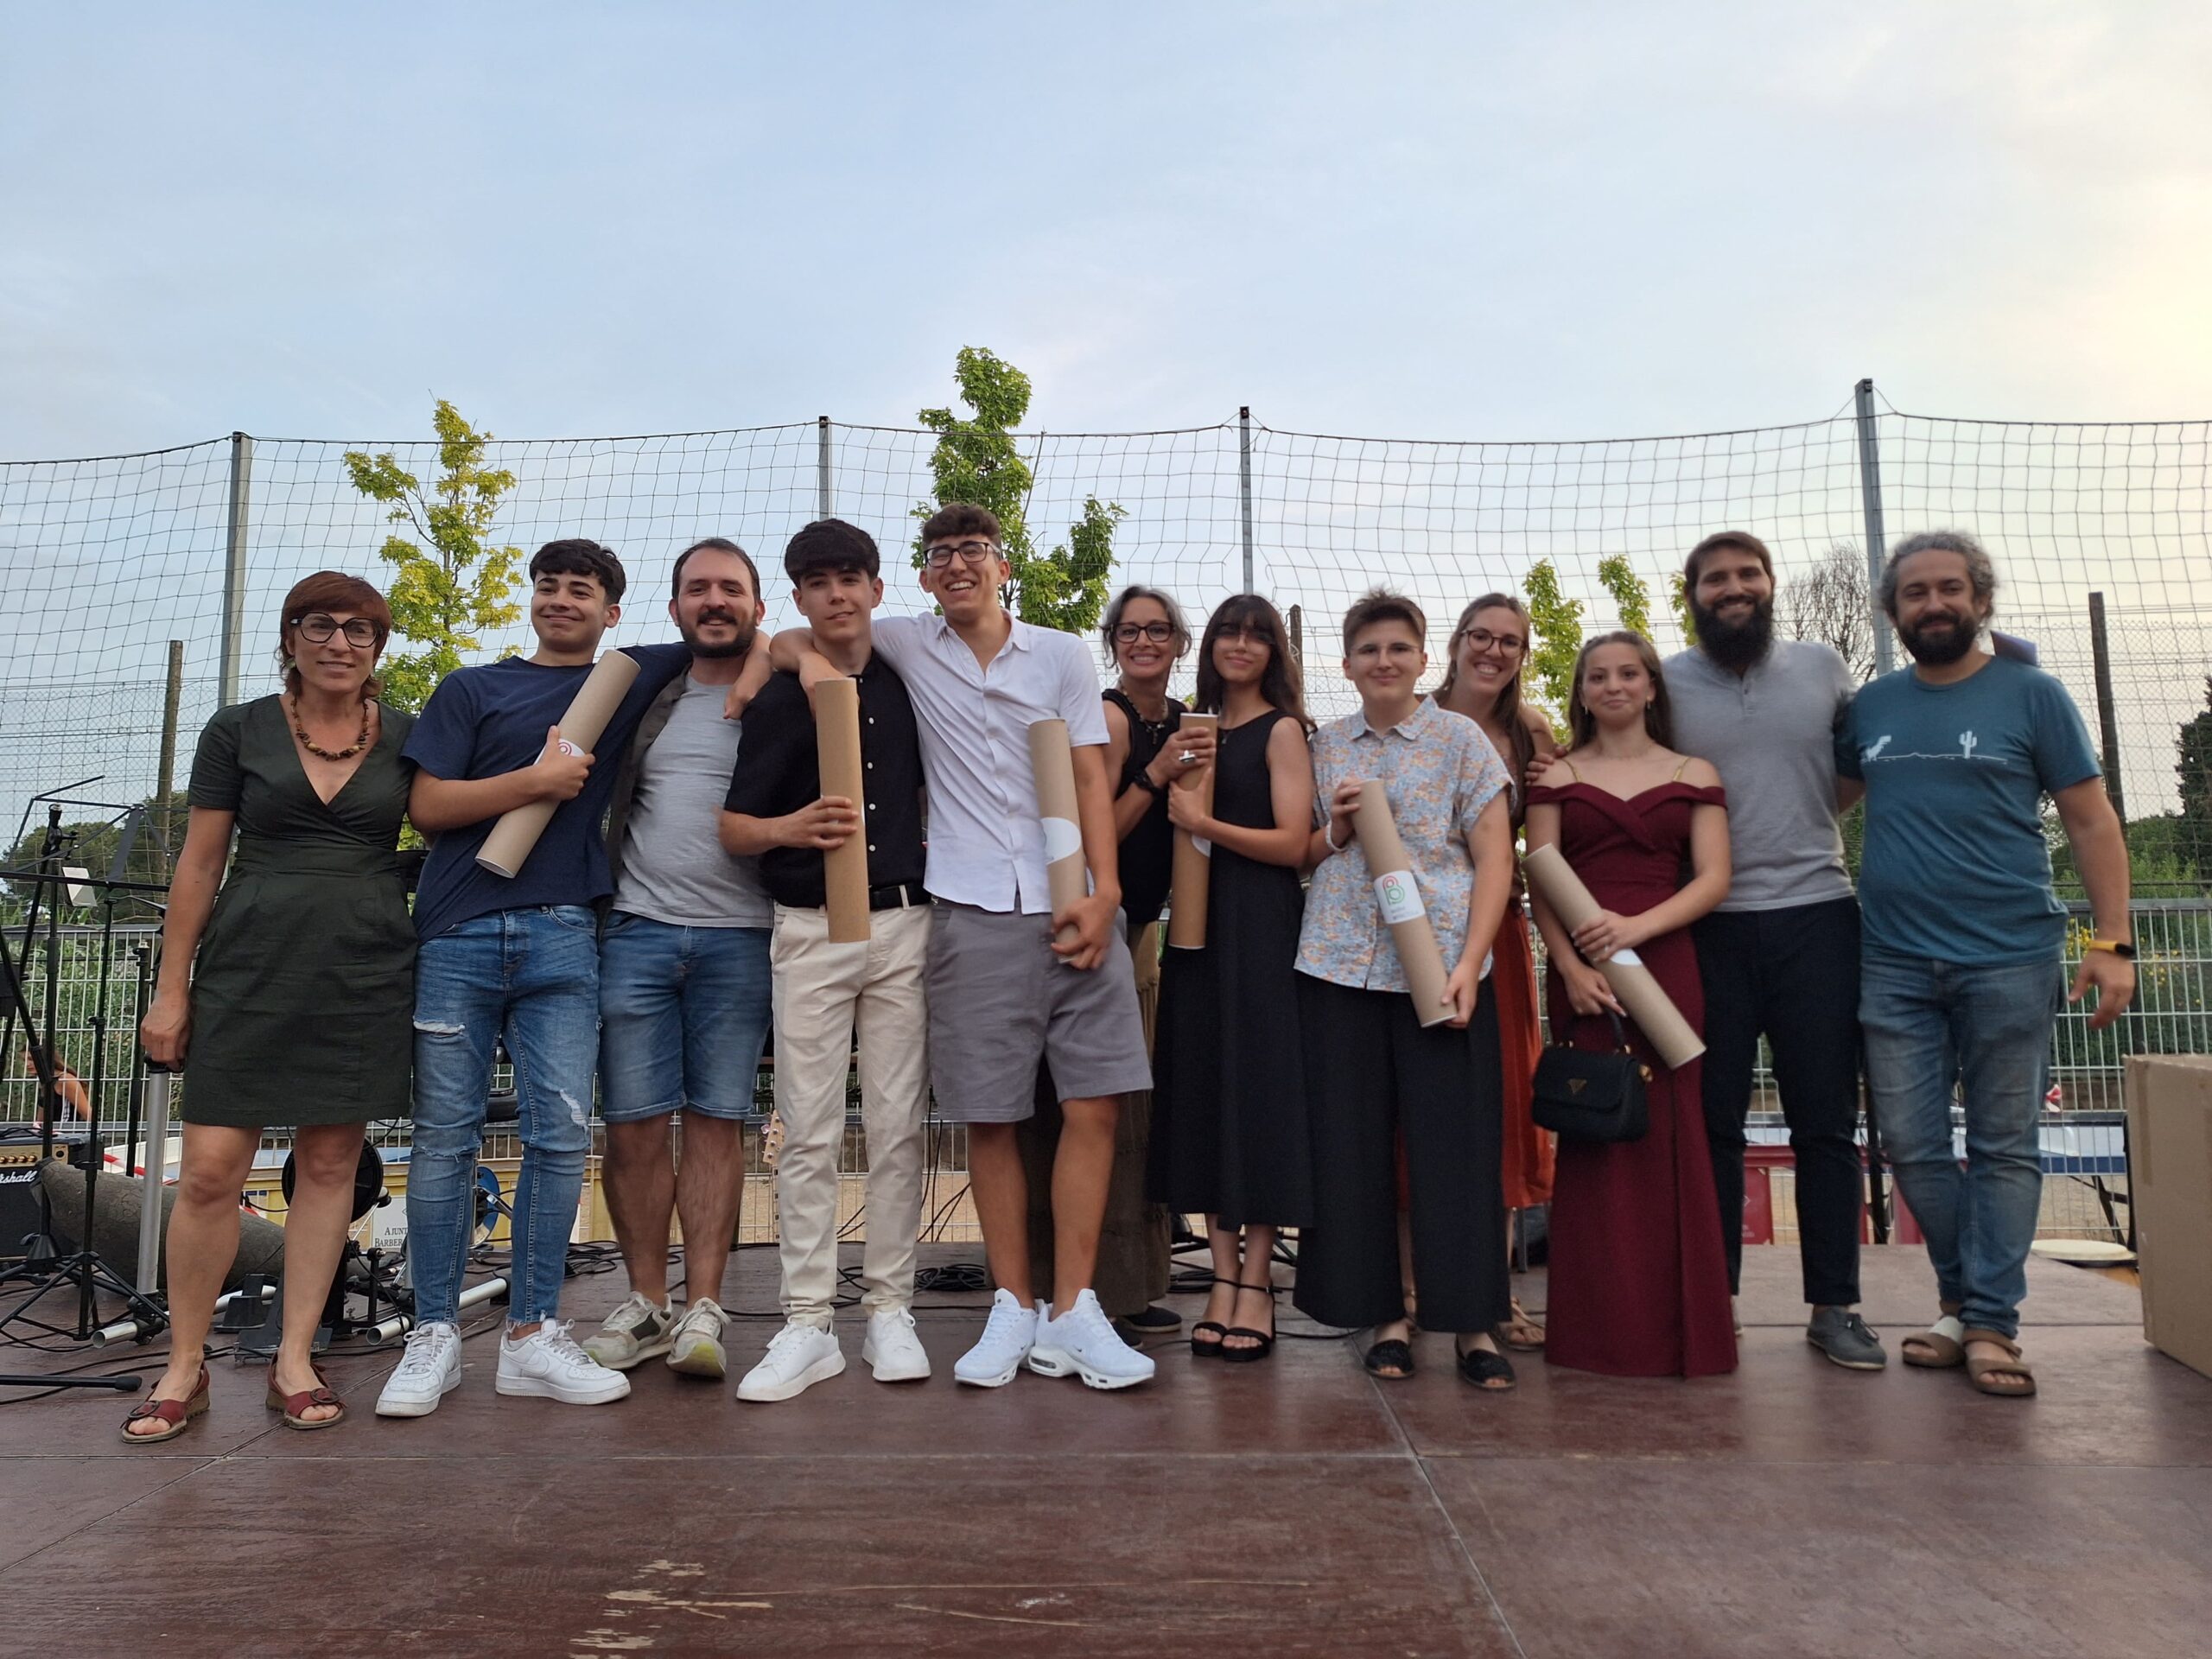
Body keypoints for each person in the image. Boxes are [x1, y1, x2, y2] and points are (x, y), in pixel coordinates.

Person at [767, 504, 1157, 1391]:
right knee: (991, 1116)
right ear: (920, 575)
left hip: (1072, 902)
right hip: (972, 910)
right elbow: (797, 636)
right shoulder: (906, 642)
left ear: (1002, 564)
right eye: (940, 554)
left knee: (1095, 1106)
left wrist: (1106, 892)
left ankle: (1073, 1311)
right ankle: (1011, 1305)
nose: (957, 565)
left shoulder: (1060, 654)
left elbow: (1088, 772)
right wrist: (795, 663)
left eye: (973, 550)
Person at [377, 539, 744, 1418]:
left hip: (565, 936)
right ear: (532, 600)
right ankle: (433, 1335)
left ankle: (531, 1335)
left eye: (583, 590)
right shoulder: (473, 688)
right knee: (445, 1138)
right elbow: (428, 808)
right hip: (459, 931)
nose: (563, 599)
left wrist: (770, 650)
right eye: (549, 586)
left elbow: (731, 630)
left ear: (612, 612)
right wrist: (534, 781)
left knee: (558, 1137)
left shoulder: (624, 684)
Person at [1838, 531, 2133, 1398]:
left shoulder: (2032, 695)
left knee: (2005, 1147)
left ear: (1980, 599)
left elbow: (2091, 820)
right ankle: (1966, 1306)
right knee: (1910, 1144)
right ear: (1894, 612)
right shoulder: (1871, 707)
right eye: (1915, 592)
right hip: (1892, 962)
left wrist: (2112, 941)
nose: (1933, 604)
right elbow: (1817, 799)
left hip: (2010, 958)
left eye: (1949, 589)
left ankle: (1988, 1324)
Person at [129, 574, 416, 1440]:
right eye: (319, 625)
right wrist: (171, 990)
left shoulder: (408, 735)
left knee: (329, 1168)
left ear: (378, 646)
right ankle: (185, 1364)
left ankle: (294, 1359)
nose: (339, 642)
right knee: (211, 1171)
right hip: (248, 964)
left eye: (359, 629)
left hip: (363, 968)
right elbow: (200, 862)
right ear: (290, 638)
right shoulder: (239, 729)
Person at [721, 519, 933, 1401]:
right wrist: (790, 827)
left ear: (878, 589)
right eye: (818, 581)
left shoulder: (912, 677)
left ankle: (890, 1308)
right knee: (806, 1130)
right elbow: (735, 829)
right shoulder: (780, 698)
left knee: (897, 1124)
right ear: (799, 596)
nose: (837, 593)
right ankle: (808, 1321)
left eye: (851, 577)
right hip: (809, 928)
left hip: (905, 925)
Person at [1667, 530, 1885, 1368]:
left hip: (1818, 916)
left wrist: (1800, 817)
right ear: (1692, 594)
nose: (1733, 588)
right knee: (1711, 1120)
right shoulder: (1665, 683)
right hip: (1709, 923)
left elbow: (1853, 771)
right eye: (1715, 578)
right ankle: (1711, 1301)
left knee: (1825, 1123)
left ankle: (1835, 1306)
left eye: (1747, 574)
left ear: (1769, 583)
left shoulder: (1824, 668)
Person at [1294, 590, 1517, 1390]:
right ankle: (1383, 1316)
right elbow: (1303, 852)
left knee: (1455, 1148)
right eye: (1368, 650)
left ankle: (1473, 1322)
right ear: (1347, 664)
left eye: (1398, 648)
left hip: (1441, 971)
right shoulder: (1324, 747)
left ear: (1425, 659)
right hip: (1339, 968)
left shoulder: (1461, 741)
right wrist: (1335, 830)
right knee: (1351, 1149)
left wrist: (1471, 962)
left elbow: (1495, 858)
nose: (1383, 661)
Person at [578, 539, 775, 1383]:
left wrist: (773, 657)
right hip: (638, 930)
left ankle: (705, 1306)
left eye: (731, 588)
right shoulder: (643, 690)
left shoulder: (785, 691)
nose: (714, 600)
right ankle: (647, 1303)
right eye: (698, 588)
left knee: (716, 1121)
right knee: (630, 1123)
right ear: (675, 609)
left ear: (759, 607)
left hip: (744, 935)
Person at [1526, 631, 1737, 1378]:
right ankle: (1594, 1333)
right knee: (1596, 1131)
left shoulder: (1694, 772)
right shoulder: (1558, 776)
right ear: (1582, 693)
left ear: (1651, 686)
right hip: (1585, 977)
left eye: (1628, 674)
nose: (1613, 686)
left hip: (1667, 966)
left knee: (1672, 1131)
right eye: (1597, 677)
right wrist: (1568, 966)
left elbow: (1713, 879)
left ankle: (1683, 1334)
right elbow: (1541, 877)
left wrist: (1636, 930)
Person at [1021, 584, 1192, 1347]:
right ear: (1112, 642)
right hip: (1101, 928)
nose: (1143, 642)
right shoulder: (1111, 717)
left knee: (1131, 1117)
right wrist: (1156, 778)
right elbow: (1099, 836)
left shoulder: (1185, 720)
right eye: (1129, 631)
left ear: (1179, 642)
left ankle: (1128, 1285)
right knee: (1094, 1113)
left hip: (1151, 930)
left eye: (1158, 630)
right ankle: (1081, 1292)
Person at [1148, 594, 1315, 1361]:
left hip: (1262, 930)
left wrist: (1203, 824)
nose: (1240, 646)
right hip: (1195, 935)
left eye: (1255, 635)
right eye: (1227, 633)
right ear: (1209, 645)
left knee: (1259, 1099)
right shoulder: (1194, 730)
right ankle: (1221, 1278)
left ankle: (1258, 1283)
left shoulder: (1282, 731)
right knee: (1208, 1097)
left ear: (1273, 650)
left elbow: (1294, 843)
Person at [1433, 593, 1559, 1352]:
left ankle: (1495, 1289)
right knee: (1417, 1111)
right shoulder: (1416, 715)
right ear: (1456, 643)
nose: (1493, 650)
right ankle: (1411, 1285)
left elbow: (1545, 843)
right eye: (1480, 636)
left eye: (1509, 641)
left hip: (1498, 934)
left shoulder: (1529, 730)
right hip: (1415, 935)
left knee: (1504, 1105)